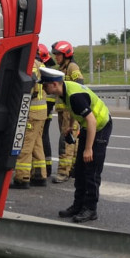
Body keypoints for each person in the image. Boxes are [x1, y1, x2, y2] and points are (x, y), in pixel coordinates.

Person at [40, 67, 112, 223]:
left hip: (100, 127)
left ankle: (91, 209)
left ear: (54, 84)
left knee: (91, 171)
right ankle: (78, 205)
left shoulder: (74, 96)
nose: (44, 89)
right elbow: (74, 111)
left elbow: (92, 120)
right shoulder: (63, 92)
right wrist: (71, 126)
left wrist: (88, 149)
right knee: (79, 170)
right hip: (88, 126)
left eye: (45, 85)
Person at [11, 50, 48, 188]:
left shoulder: (31, 64)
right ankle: (39, 175)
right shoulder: (41, 65)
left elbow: (31, 84)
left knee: (25, 145)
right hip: (41, 112)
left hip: (31, 111)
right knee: (37, 144)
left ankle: (22, 177)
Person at [50, 40, 85, 183]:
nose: (56, 57)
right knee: (72, 140)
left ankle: (63, 172)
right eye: (55, 54)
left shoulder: (72, 67)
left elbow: (79, 85)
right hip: (63, 110)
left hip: (69, 111)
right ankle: (74, 169)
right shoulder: (62, 68)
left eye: (58, 54)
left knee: (66, 141)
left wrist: (73, 106)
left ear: (66, 54)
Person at [37, 43, 57, 178]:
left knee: (42, 137)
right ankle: (47, 166)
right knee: (44, 137)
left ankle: (46, 167)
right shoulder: (47, 69)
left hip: (43, 109)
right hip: (45, 109)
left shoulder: (43, 71)